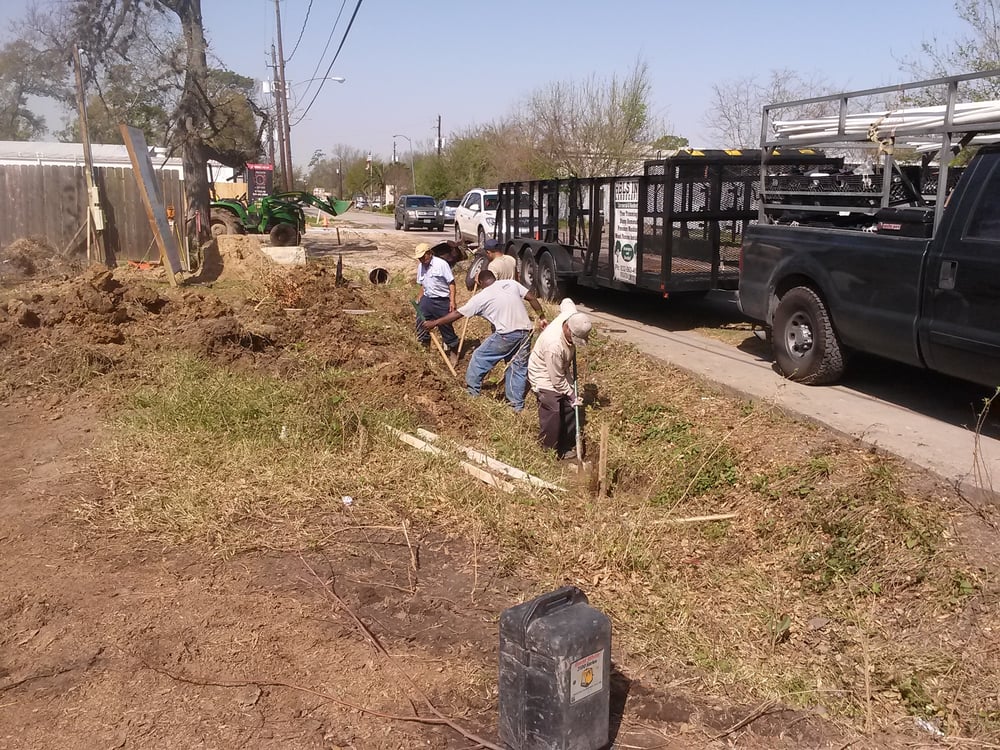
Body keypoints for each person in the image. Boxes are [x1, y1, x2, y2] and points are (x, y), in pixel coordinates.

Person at [423, 270, 546, 412]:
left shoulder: (481, 297)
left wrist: (435, 323)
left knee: (479, 357)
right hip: (526, 333)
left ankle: (472, 394)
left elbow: (457, 314)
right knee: (517, 368)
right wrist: (542, 317)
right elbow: (531, 297)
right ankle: (516, 406)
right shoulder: (511, 283)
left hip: (506, 335)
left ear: (480, 283)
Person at [527, 311, 592, 459]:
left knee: (570, 408)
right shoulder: (554, 346)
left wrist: (571, 398)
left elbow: (567, 301)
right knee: (553, 410)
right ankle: (548, 450)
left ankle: (564, 445)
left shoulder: (570, 315)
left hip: (559, 370)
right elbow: (556, 379)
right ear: (568, 328)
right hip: (543, 374)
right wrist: (570, 394)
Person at [414, 242, 459, 362]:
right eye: (419, 258)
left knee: (445, 326)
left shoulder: (441, 264)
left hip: (442, 300)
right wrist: (419, 297)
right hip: (427, 299)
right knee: (421, 322)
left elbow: (451, 283)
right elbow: (423, 284)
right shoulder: (421, 266)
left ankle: (453, 349)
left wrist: (452, 301)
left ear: (429, 253)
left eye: (423, 257)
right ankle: (425, 350)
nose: (421, 260)